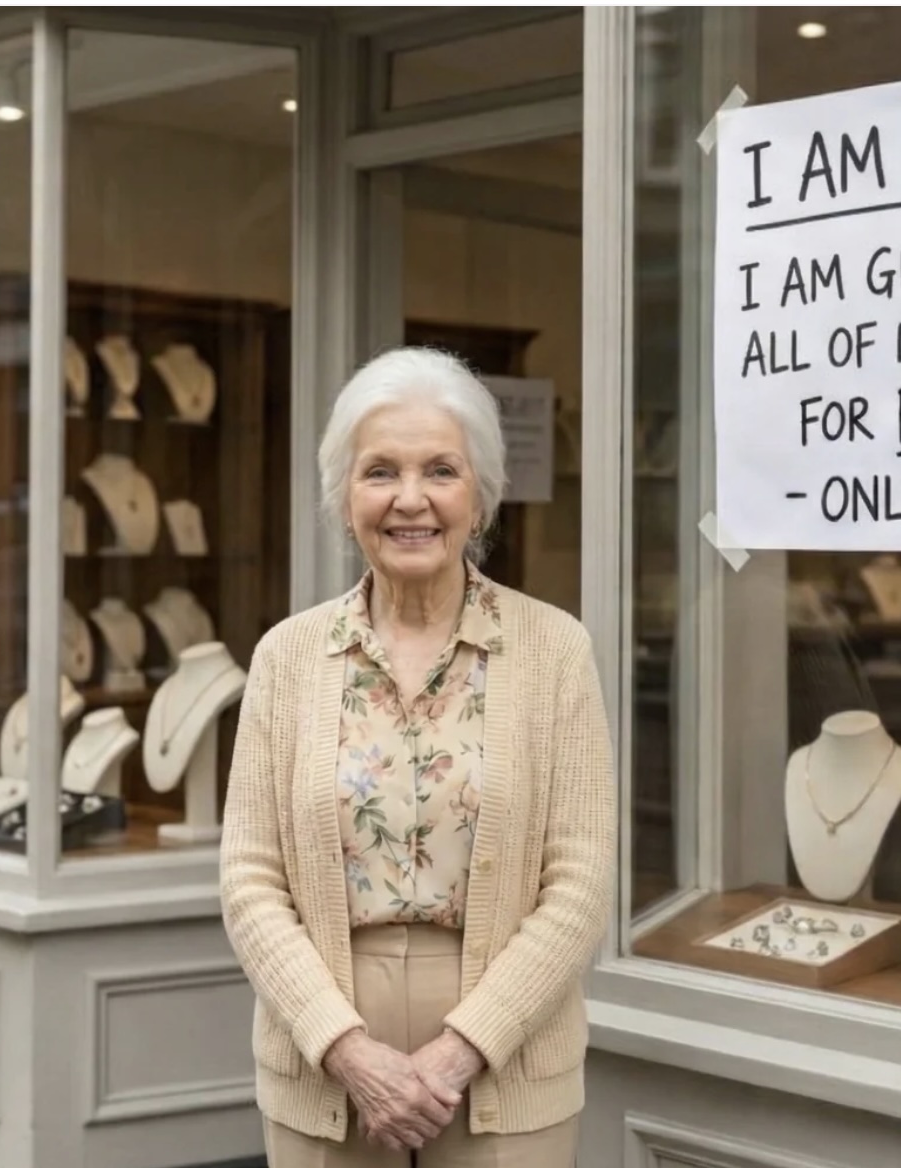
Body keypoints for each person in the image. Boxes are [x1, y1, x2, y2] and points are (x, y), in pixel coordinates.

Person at [220, 347, 616, 1166]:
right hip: (324, 1052)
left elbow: (578, 884)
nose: (410, 500)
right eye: (380, 472)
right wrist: (349, 1054)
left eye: (440, 469)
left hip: (506, 1052)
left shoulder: (554, 651)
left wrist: (458, 1052)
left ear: (481, 493)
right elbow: (250, 880)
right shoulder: (285, 658)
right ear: (344, 495)